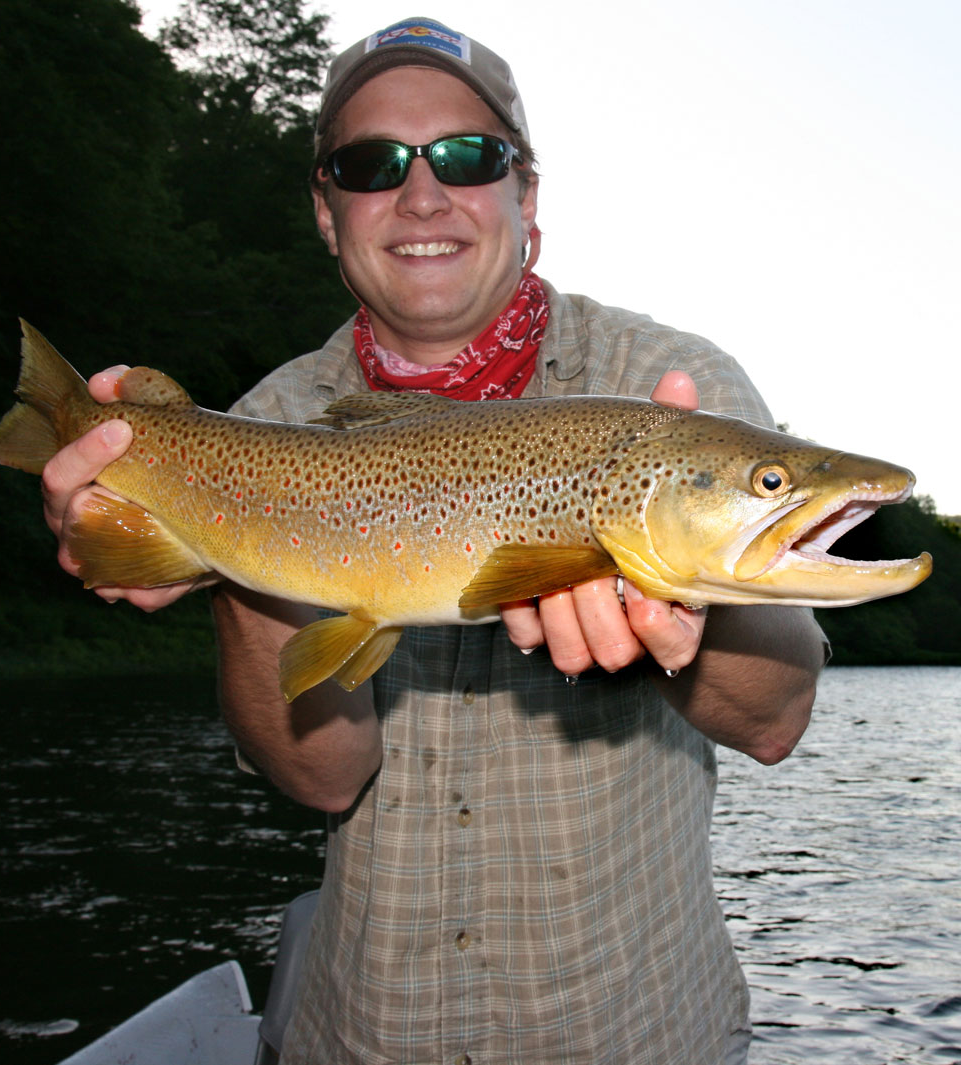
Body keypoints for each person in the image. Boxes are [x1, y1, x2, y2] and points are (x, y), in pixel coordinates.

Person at [41, 17, 826, 1065]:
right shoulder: (262, 425)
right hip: (364, 1034)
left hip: (637, 1032)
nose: (421, 194)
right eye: (370, 166)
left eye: (467, 156)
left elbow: (775, 723)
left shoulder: (674, 398)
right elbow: (322, 777)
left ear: (526, 196)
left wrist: (688, 620)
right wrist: (232, 554)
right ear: (327, 215)